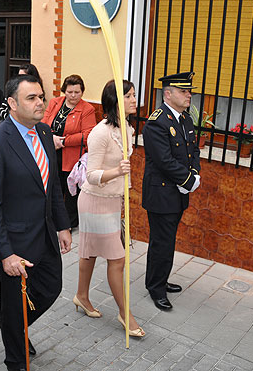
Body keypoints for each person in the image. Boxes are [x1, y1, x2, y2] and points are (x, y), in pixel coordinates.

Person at [0, 74, 72, 371]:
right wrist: (4, 253)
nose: (40, 103)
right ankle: (15, 359)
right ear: (12, 103)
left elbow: (53, 185)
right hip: (13, 243)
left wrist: (63, 225)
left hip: (44, 235)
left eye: (41, 96)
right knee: (14, 304)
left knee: (51, 288)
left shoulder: (44, 133)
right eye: (31, 98)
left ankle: (14, 329)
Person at [74, 79, 145, 337]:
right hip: (94, 201)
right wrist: (117, 171)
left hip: (113, 201)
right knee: (117, 258)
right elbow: (90, 175)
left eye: (134, 95)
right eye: (129, 96)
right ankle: (125, 314)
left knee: (90, 253)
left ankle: (81, 295)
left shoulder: (127, 128)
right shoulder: (100, 133)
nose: (134, 100)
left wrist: (122, 195)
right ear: (116, 101)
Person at [143, 71, 201, 310]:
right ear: (168, 94)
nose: (189, 95)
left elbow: (193, 151)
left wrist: (195, 174)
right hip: (162, 193)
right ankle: (155, 289)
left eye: (189, 91)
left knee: (168, 241)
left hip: (178, 193)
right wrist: (188, 180)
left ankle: (161, 280)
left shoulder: (185, 119)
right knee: (161, 243)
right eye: (183, 91)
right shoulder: (157, 122)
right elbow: (164, 161)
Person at [41, 74, 96, 229]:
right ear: (64, 90)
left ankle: (69, 223)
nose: (73, 96)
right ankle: (52, 219)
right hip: (52, 152)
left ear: (82, 92)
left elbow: (88, 135)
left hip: (72, 156)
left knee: (70, 190)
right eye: (70, 92)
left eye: (77, 92)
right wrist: (51, 138)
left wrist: (63, 141)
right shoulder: (55, 102)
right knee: (53, 187)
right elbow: (43, 124)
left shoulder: (87, 109)